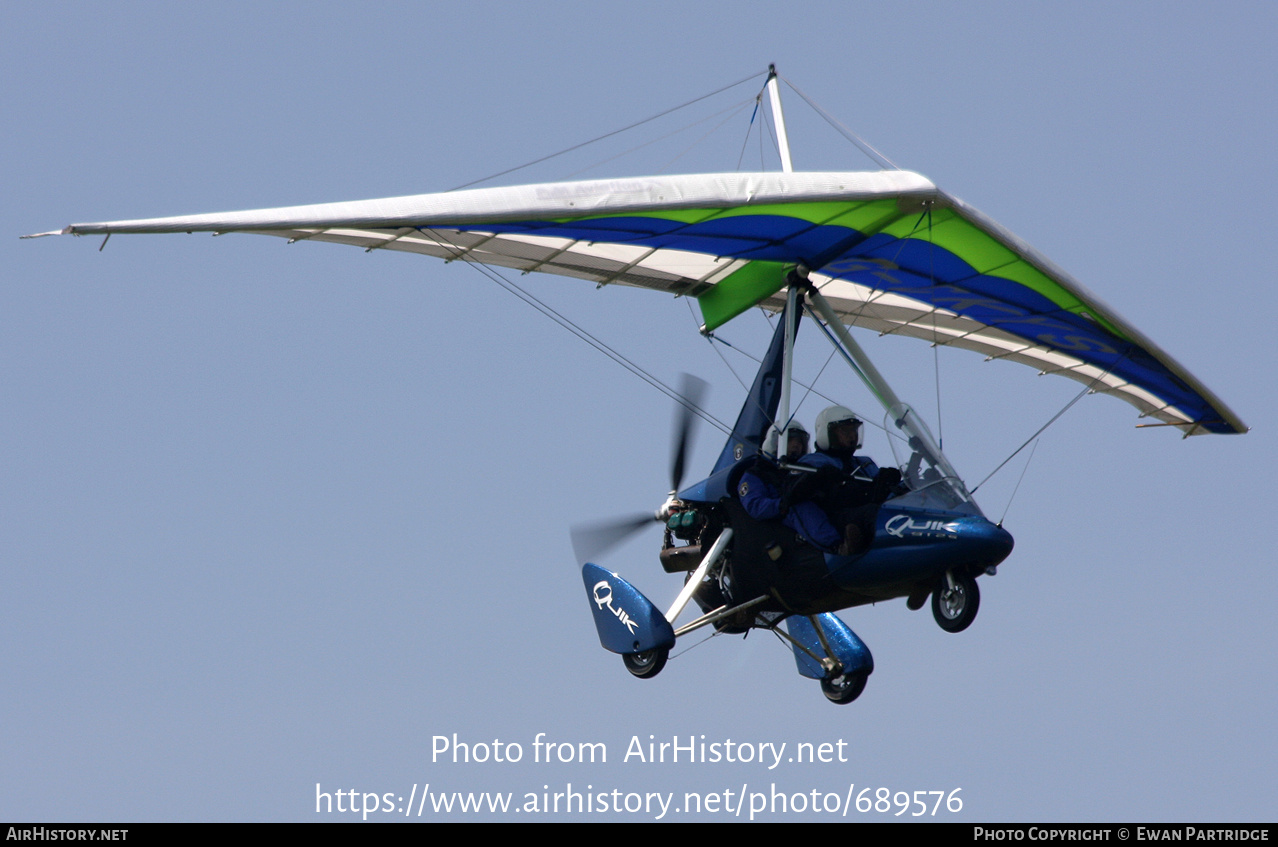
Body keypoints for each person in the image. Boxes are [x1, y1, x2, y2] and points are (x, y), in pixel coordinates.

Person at [797, 405, 904, 554]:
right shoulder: (815, 462)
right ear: (826, 433)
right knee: (874, 512)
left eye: (854, 430)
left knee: (896, 504)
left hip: (867, 510)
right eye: (845, 431)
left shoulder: (863, 462)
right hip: (836, 515)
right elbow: (803, 488)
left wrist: (894, 484)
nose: (852, 437)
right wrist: (824, 476)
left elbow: (880, 485)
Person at [736, 421, 842, 552]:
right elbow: (755, 505)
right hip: (783, 516)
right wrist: (782, 505)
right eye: (790, 440)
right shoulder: (756, 474)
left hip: (812, 509)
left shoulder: (805, 468)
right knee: (803, 507)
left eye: (800, 442)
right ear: (775, 443)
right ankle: (837, 546)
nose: (796, 445)